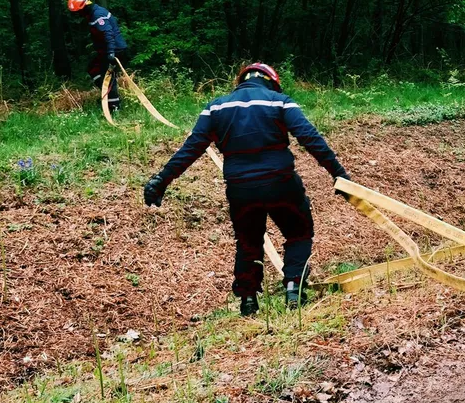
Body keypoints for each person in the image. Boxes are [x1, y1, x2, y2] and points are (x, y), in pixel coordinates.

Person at [142, 63, 350, 316]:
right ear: (272, 81)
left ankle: (248, 300)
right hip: (281, 183)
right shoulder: (280, 101)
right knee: (299, 232)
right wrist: (339, 174)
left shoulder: (215, 107)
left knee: (248, 242)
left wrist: (161, 180)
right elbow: (310, 138)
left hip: (240, 189)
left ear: (240, 83)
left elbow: (192, 147)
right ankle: (294, 288)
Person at [67, 0, 128, 114]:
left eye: (78, 12)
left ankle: (115, 107)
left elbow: (108, 34)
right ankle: (107, 95)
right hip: (105, 51)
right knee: (93, 69)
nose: (78, 15)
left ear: (83, 8)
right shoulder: (93, 13)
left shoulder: (98, 15)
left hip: (115, 50)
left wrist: (111, 53)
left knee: (108, 78)